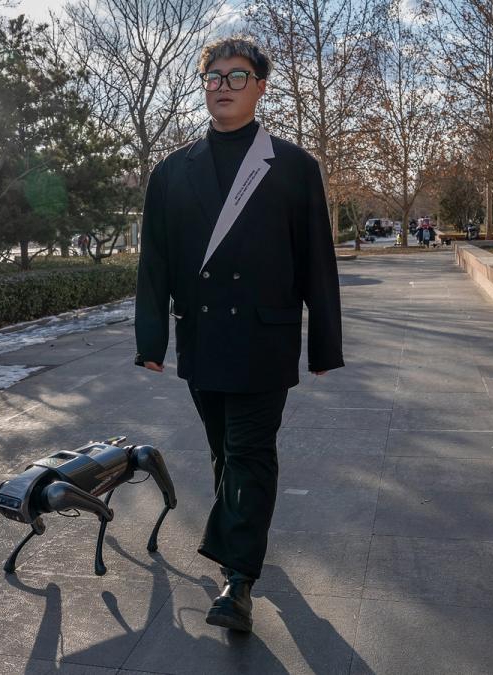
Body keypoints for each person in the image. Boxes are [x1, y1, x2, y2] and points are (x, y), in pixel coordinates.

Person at [134, 35, 344, 634]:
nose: (222, 86)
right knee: (224, 452)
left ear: (260, 86)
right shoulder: (172, 171)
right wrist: (151, 341)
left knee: (249, 452)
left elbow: (315, 261)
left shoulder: (293, 166)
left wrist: (324, 343)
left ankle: (238, 580)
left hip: (262, 339)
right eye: (213, 76)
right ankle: (240, 549)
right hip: (202, 341)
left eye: (236, 75)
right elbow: (155, 262)